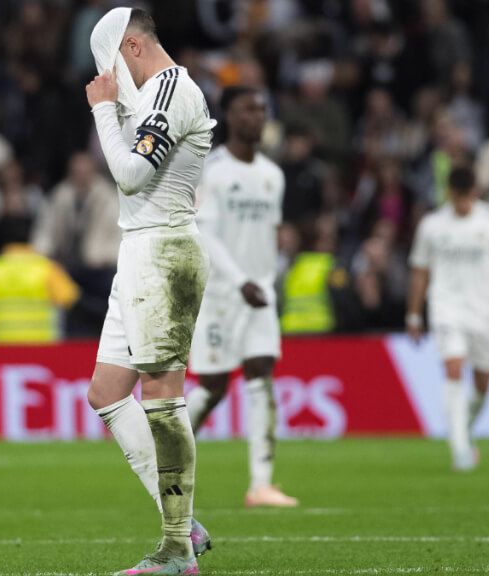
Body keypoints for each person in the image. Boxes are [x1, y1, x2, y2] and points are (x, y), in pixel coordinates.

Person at [85, 8, 215, 574]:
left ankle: (176, 548)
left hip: (164, 251)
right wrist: (113, 106)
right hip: (139, 250)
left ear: (132, 48)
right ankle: (185, 523)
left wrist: (101, 111)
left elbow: (132, 174)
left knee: (163, 400)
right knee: (106, 392)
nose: (111, 78)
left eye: (111, 64)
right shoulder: (151, 94)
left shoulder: (170, 90)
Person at [185, 86, 297, 508]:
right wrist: (239, 282)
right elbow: (205, 233)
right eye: (248, 109)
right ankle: (168, 449)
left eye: (262, 108)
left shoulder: (273, 175)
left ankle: (262, 484)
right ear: (229, 115)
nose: (257, 116)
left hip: (260, 293)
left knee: (261, 373)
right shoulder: (212, 171)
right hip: (219, 295)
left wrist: (265, 281)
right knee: (213, 386)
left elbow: (268, 236)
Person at [406, 166, 489, 471]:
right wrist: (414, 314)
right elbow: (420, 272)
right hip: (446, 308)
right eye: (459, 199)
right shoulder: (432, 226)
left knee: (483, 385)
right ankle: (459, 449)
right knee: (454, 368)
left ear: (475, 192)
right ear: (450, 194)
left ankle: (463, 429)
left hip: (484, 311)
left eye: (468, 198)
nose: (463, 205)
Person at [0, 219, 79, 343]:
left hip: (0, 346)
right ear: (31, 237)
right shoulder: (47, 268)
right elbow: (69, 297)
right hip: (42, 346)